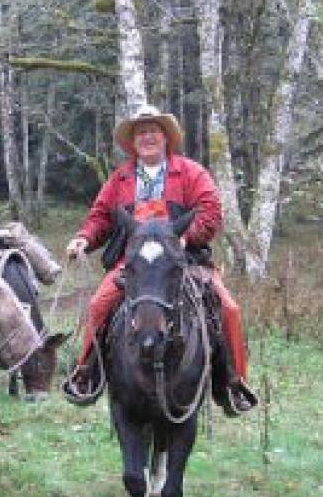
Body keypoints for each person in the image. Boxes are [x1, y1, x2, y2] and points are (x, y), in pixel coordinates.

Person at [62, 104, 258, 416]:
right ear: (133, 142)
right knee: (99, 305)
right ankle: (85, 374)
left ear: (165, 137)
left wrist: (186, 236)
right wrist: (84, 238)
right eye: (141, 133)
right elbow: (100, 216)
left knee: (229, 309)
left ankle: (233, 384)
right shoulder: (120, 179)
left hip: (184, 261)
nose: (148, 137)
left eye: (153, 131)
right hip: (135, 265)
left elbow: (211, 213)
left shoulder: (192, 172)